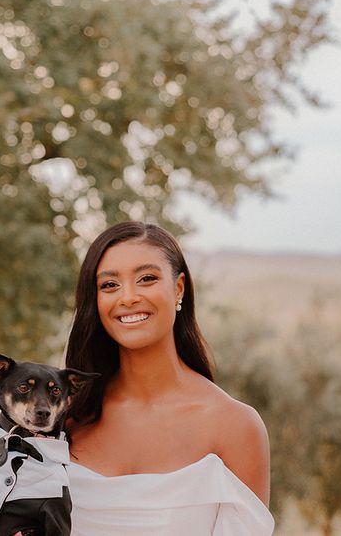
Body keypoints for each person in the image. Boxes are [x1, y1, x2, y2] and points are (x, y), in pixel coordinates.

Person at [64, 221, 274, 535]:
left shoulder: (234, 427)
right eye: (110, 285)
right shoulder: (65, 417)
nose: (128, 297)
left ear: (178, 288)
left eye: (146, 279)